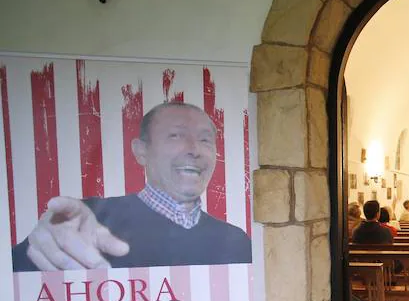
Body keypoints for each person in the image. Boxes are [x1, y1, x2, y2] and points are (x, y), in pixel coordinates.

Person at [11, 102, 250, 271]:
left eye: (205, 139)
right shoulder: (89, 220)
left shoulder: (236, 240)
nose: (194, 149)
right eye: (176, 136)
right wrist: (38, 243)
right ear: (141, 151)